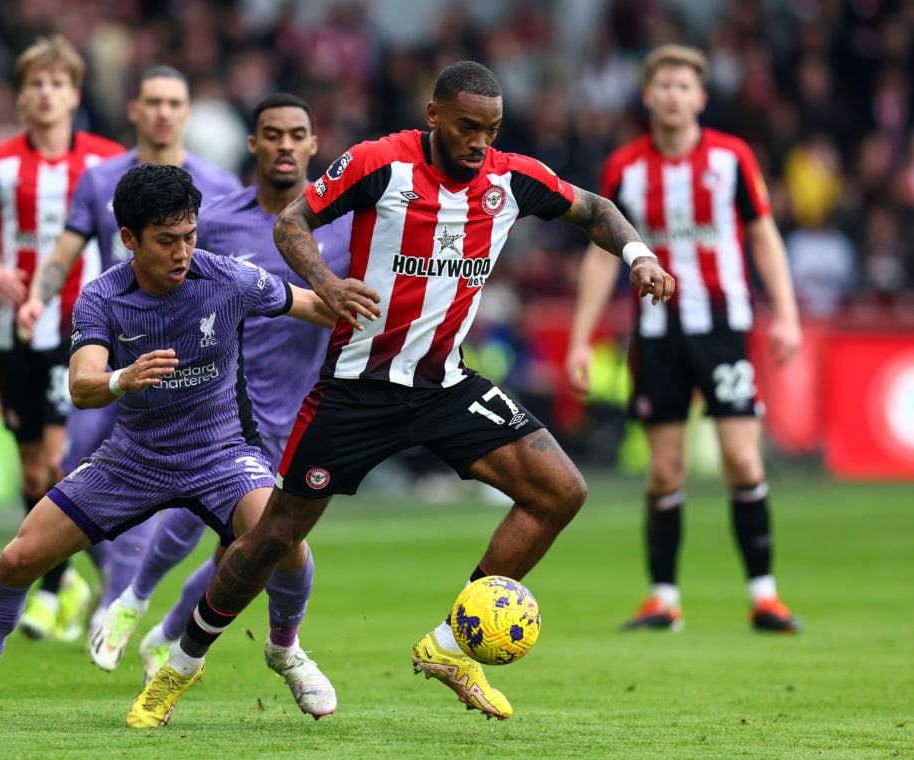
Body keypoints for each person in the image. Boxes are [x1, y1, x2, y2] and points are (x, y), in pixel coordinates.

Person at [130, 60, 675, 726]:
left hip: (444, 383)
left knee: (561, 490)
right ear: (435, 116)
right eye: (468, 127)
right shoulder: (379, 165)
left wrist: (640, 256)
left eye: (491, 129)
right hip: (356, 388)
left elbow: (595, 210)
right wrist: (327, 283)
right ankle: (180, 664)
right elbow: (292, 224)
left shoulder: (511, 178)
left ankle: (450, 645)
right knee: (274, 537)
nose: (479, 142)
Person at [0, 163, 338, 721]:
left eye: (189, 236)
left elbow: (311, 305)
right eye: (167, 241)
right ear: (129, 240)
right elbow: (81, 383)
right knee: (17, 559)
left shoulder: (227, 277)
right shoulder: (102, 298)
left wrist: (364, 311)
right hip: (132, 459)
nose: (182, 252)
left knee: (286, 540)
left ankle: (286, 651)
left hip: (221, 455)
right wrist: (123, 377)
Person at [85, 93, 351, 690]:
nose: (285, 145)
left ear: (313, 145)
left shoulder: (343, 226)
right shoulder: (219, 221)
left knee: (245, 550)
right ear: (252, 145)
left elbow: (349, 300)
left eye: (297, 134)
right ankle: (133, 598)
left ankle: (165, 631)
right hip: (229, 398)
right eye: (272, 134)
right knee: (204, 516)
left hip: (304, 402)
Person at [563, 44, 803, 633]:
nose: (673, 95)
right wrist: (578, 338)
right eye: (663, 85)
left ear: (701, 97)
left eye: (683, 86)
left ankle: (765, 596)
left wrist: (788, 314)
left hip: (723, 327)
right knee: (665, 470)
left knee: (743, 460)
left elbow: (764, 234)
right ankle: (664, 601)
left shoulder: (732, 157)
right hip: (657, 333)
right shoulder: (624, 167)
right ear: (648, 96)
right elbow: (601, 257)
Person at [15, 65, 242, 638]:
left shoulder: (217, 185)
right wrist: (38, 298)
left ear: (187, 112)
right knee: (64, 472)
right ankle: (87, 589)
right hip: (116, 350)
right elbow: (65, 252)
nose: (164, 112)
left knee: (194, 489)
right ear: (134, 110)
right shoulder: (100, 180)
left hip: (197, 366)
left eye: (175, 102)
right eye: (154, 102)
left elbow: (243, 267)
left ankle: (123, 604)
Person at [0, 35, 125, 643]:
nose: (46, 94)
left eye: (57, 84)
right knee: (32, 472)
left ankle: (53, 593)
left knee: (59, 460)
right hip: (14, 329)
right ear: (22, 97)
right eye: (36, 84)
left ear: (75, 95)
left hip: (81, 327)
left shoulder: (106, 163)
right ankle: (72, 582)